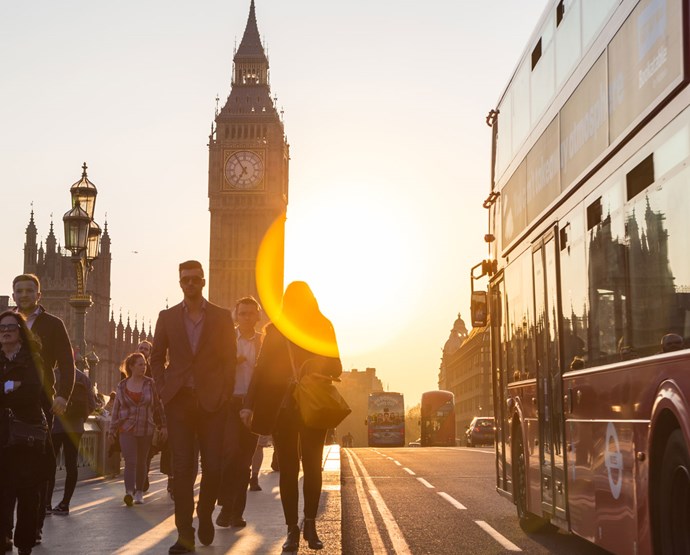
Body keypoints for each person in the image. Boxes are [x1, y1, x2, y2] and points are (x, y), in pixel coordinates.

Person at [241, 281, 342, 552]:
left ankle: (302, 526)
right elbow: (261, 372)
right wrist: (249, 405)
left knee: (298, 468)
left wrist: (308, 369)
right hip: (293, 408)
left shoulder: (302, 329)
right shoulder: (305, 328)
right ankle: (299, 527)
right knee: (301, 467)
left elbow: (335, 366)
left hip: (299, 407)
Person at [151, 260, 236, 554]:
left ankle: (205, 513)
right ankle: (184, 533)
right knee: (183, 469)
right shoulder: (167, 317)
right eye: (184, 279)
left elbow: (229, 360)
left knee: (213, 467)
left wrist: (225, 391)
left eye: (194, 279)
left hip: (212, 401)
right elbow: (156, 356)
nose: (190, 283)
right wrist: (163, 388)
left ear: (203, 281)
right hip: (179, 401)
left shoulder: (223, 317)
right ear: (180, 283)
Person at [11, 274, 74, 543]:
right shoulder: (6, 322)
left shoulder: (53, 324)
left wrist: (63, 396)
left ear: (39, 295)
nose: (24, 295)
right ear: (13, 295)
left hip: (39, 402)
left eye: (29, 290)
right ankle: (5, 530)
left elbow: (68, 364)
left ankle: (33, 526)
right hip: (7, 402)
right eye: (19, 291)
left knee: (36, 469)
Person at [0, 310, 47, 555]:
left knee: (28, 494)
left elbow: (32, 392)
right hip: (2, 437)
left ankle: (25, 544)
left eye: (11, 327)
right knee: (2, 493)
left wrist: (8, 388)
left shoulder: (33, 359)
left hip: (26, 436)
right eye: (1, 328)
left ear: (20, 332)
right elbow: (20, 389)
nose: (5, 331)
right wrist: (11, 385)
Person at [216, 297, 264, 528]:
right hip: (230, 403)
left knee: (244, 461)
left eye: (250, 313)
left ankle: (236, 513)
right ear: (236, 315)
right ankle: (225, 506)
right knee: (230, 455)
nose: (246, 317)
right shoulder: (225, 340)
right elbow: (212, 367)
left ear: (257, 316)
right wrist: (230, 363)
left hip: (253, 405)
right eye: (242, 313)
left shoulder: (264, 343)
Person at [108, 352, 167, 506]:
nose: (144, 367)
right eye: (140, 364)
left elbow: (157, 406)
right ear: (131, 366)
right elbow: (116, 409)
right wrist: (112, 430)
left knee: (142, 462)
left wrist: (163, 426)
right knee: (130, 461)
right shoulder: (122, 385)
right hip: (126, 428)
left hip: (146, 427)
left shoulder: (150, 384)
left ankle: (139, 492)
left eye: (145, 364)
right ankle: (129, 492)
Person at [46, 367, 97, 515]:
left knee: (49, 464)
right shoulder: (82, 378)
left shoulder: (52, 374)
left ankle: (46, 503)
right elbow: (92, 404)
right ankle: (65, 504)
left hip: (55, 426)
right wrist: (80, 419)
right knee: (71, 464)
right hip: (75, 428)